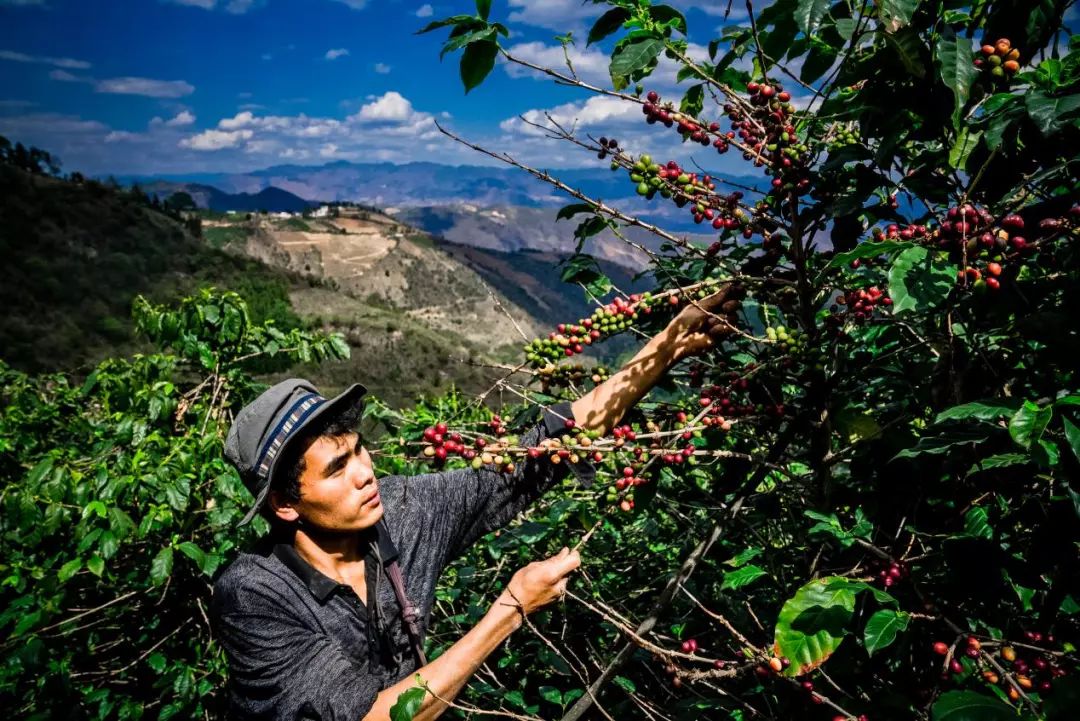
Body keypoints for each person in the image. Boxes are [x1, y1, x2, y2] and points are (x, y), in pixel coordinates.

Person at [211, 287, 739, 721]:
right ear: (285, 505)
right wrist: (510, 611)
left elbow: (540, 455)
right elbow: (374, 716)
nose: (365, 472)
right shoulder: (254, 595)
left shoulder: (403, 512)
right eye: (336, 469)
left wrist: (666, 346)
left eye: (359, 451)